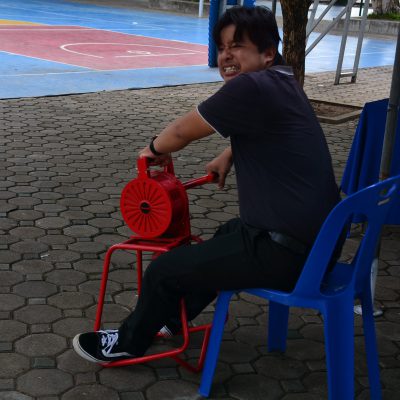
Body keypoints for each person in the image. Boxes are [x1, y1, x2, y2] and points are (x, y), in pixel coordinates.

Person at [73, 5, 341, 363]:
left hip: (288, 256)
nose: (226, 56)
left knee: (164, 270)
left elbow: (181, 132)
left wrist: (152, 150)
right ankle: (170, 319)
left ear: (267, 53)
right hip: (319, 245)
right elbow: (278, 132)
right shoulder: (283, 81)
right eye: (222, 47)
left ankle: (127, 343)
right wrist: (230, 154)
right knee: (227, 233)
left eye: (238, 46)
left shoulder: (250, 86)